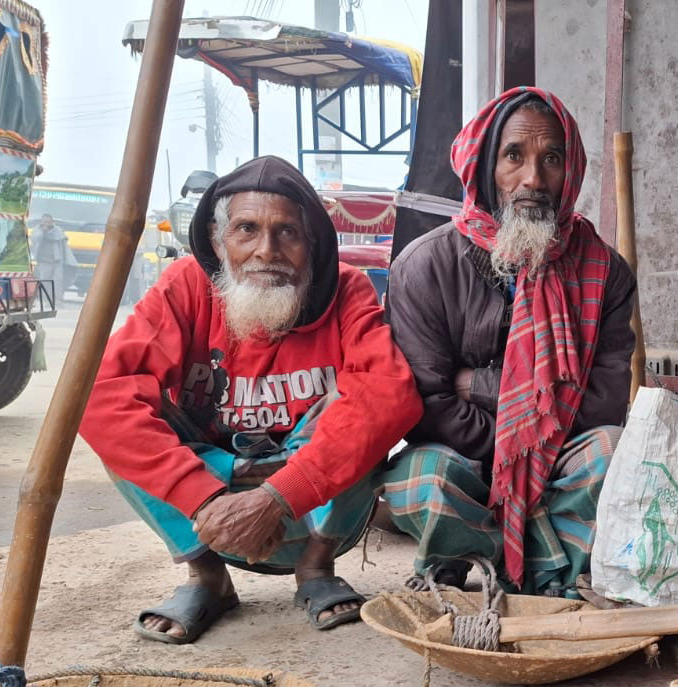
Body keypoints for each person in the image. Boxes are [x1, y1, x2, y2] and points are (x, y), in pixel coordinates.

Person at [80, 157, 422, 643]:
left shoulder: (346, 289)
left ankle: (316, 568)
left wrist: (278, 495)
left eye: (288, 233)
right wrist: (204, 499)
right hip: (215, 498)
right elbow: (101, 394)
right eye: (247, 230)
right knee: (119, 419)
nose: (267, 250)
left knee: (364, 407)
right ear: (220, 244)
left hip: (313, 501)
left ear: (314, 245)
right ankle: (207, 577)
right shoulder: (186, 286)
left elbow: (389, 395)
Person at [382, 87, 636, 595]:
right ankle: (461, 556)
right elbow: (427, 405)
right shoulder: (423, 266)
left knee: (611, 453)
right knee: (422, 480)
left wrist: (477, 383)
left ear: (572, 172)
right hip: (461, 456)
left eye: (552, 159)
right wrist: (516, 444)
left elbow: (603, 406)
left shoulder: (605, 270)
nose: (533, 180)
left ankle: (544, 573)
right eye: (514, 156)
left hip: (558, 449)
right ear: (484, 165)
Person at [30, 213, 73, 301]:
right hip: (44, 261)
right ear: (42, 222)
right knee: (45, 281)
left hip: (57, 260)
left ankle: (58, 300)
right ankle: (47, 300)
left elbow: (64, 239)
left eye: (48, 222)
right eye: (45, 221)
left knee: (58, 280)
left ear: (52, 222)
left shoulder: (58, 230)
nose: (46, 223)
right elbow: (35, 239)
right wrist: (43, 232)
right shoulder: (37, 230)